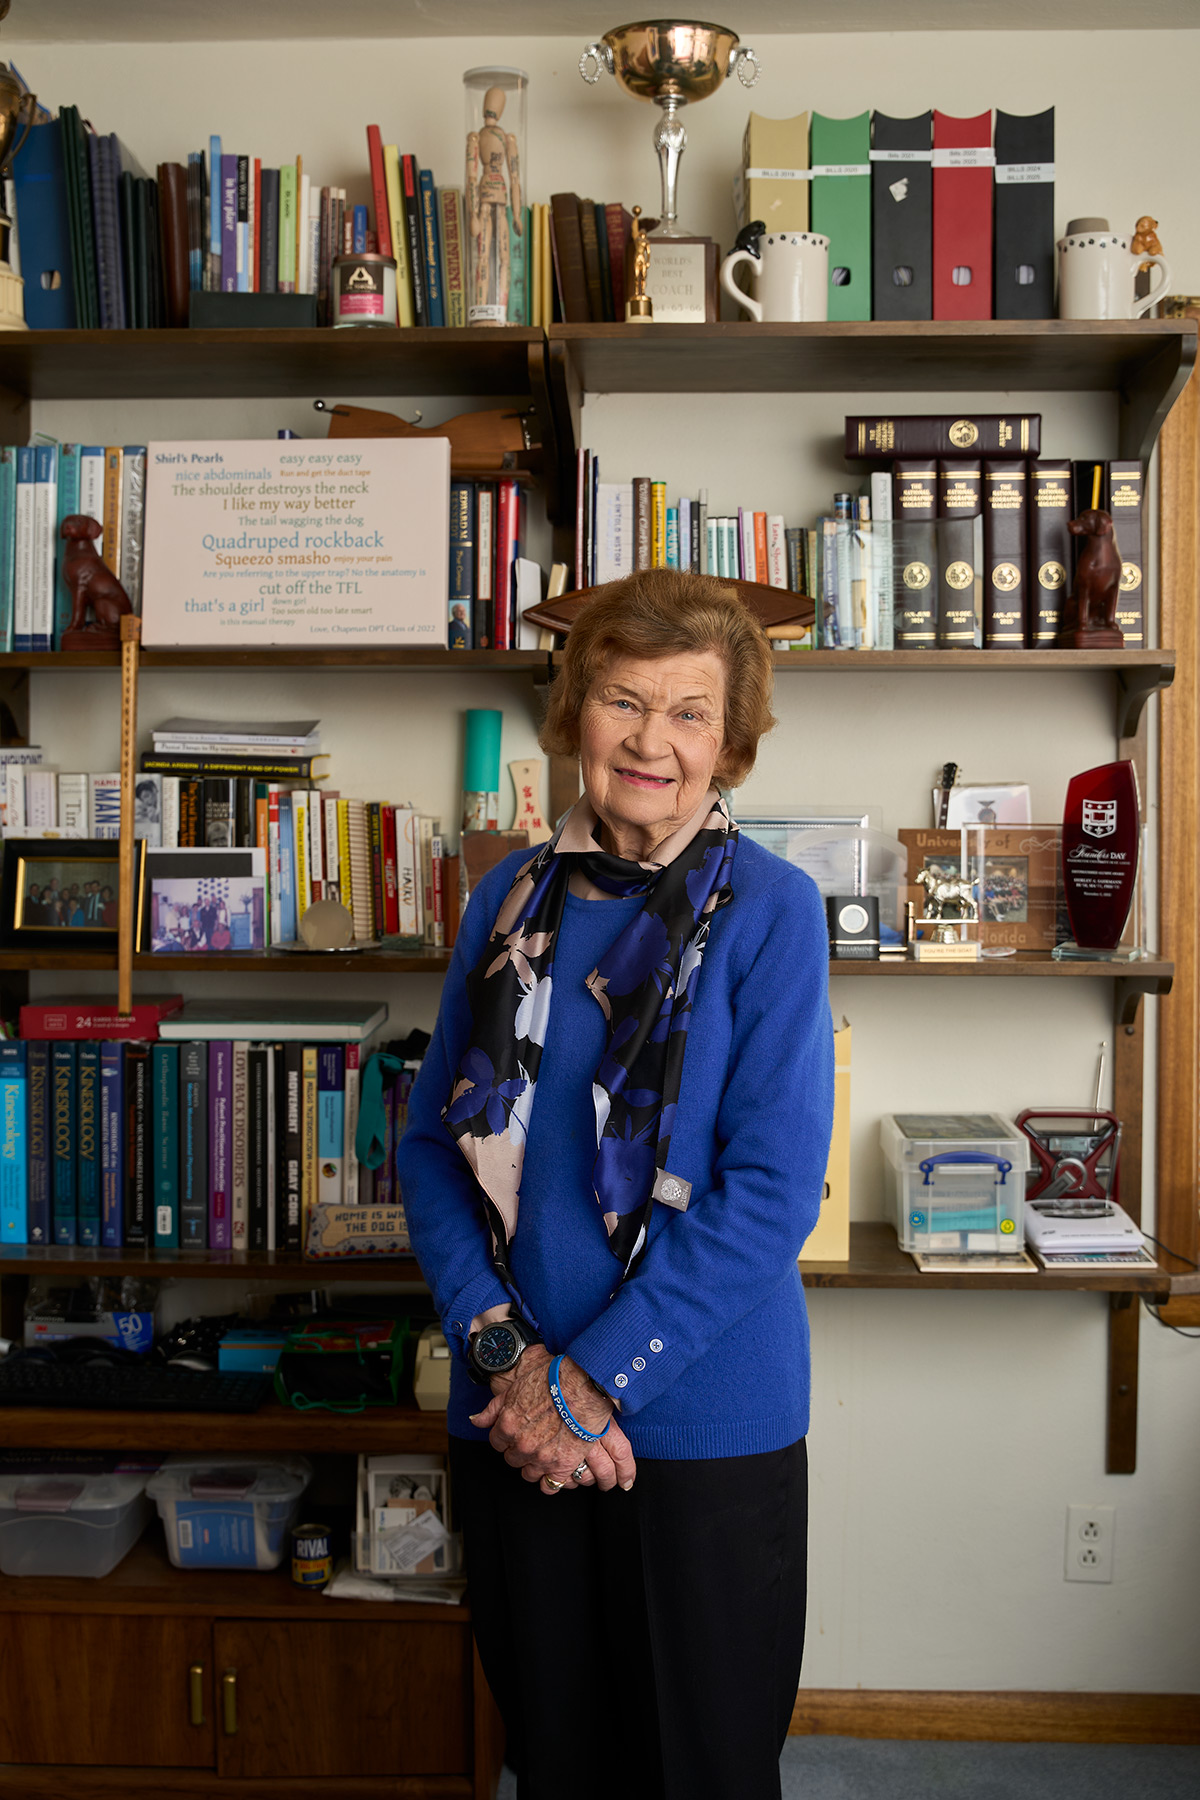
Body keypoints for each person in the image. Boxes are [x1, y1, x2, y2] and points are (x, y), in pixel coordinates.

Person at [398, 570, 834, 1800]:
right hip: (509, 1414)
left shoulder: (776, 912)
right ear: (574, 714)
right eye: (623, 699)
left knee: (703, 1772)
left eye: (691, 712)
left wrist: (586, 1390)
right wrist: (507, 1362)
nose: (652, 741)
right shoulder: (506, 897)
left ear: (731, 746)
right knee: (555, 1763)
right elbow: (433, 1145)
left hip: (702, 1427)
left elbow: (768, 1193)